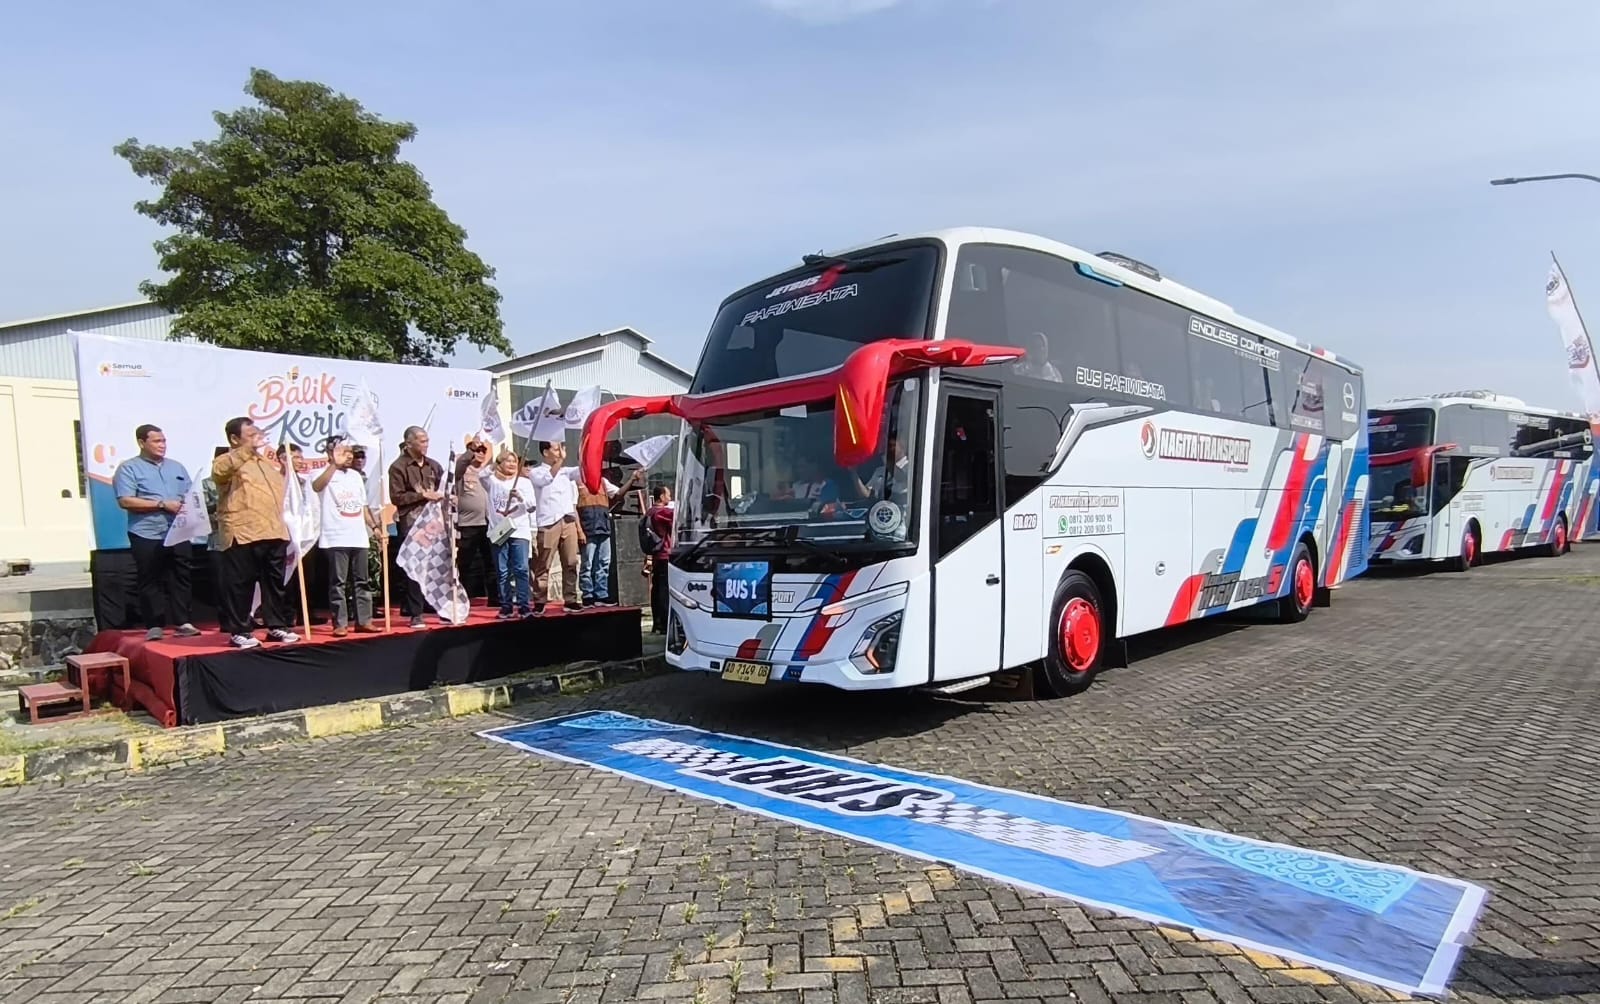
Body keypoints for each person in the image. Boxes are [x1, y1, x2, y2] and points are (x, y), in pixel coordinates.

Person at [211, 417, 299, 649]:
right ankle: (240, 630)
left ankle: (277, 626)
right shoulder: (226, 460)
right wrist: (245, 450)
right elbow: (220, 473)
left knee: (275, 583)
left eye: (256, 433)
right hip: (243, 531)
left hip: (273, 530)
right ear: (234, 438)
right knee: (241, 584)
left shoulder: (265, 463)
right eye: (250, 434)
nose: (256, 438)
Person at [111, 424, 200, 641]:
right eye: (156, 441)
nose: (162, 445)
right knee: (150, 578)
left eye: (164, 441)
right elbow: (125, 500)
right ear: (142, 443)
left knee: (181, 576)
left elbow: (191, 493)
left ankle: (183, 622)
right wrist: (161, 505)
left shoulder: (176, 467)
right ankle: (154, 625)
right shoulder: (129, 468)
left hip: (178, 530)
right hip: (147, 532)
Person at [313, 442, 378, 637]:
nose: (348, 456)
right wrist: (334, 464)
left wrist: (373, 527)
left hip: (358, 535)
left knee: (362, 581)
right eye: (343, 452)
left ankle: (364, 621)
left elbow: (363, 506)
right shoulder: (323, 473)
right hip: (336, 536)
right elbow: (317, 486)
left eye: (350, 452)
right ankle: (340, 624)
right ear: (330, 453)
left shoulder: (356, 476)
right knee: (338, 582)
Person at [386, 426, 444, 629]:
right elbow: (396, 497)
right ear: (409, 443)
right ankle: (415, 613)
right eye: (421, 441)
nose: (425, 445)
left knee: (435, 564)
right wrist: (422, 495)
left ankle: (439, 606)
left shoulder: (433, 465)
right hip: (411, 523)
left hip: (433, 522)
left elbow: (442, 488)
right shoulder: (398, 467)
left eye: (427, 440)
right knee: (413, 566)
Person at [477, 448, 536, 618]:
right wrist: (493, 464)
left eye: (513, 461)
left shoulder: (524, 482)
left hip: (519, 530)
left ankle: (524, 606)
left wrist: (520, 498)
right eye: (507, 461)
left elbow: (532, 506)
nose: (511, 464)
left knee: (521, 569)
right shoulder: (493, 482)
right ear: (500, 463)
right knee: (502, 571)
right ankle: (506, 606)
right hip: (499, 530)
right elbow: (482, 476)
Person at [528, 439, 584, 614]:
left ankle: (570, 599)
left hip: (568, 520)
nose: (560, 451)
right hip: (548, 522)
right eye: (556, 448)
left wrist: (586, 451)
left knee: (571, 562)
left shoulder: (567, 472)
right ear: (545, 452)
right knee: (544, 563)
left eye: (562, 448)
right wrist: (560, 461)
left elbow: (583, 471)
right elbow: (546, 480)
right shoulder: (536, 472)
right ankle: (539, 599)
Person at [577, 469, 636, 606]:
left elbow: (618, 493)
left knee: (603, 562)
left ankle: (601, 594)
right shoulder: (578, 482)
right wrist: (579, 530)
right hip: (588, 528)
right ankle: (588, 594)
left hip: (603, 527)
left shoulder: (603, 482)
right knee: (588, 563)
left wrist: (632, 479)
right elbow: (573, 507)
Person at [454, 439, 498, 609]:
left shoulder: (487, 473)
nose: (480, 453)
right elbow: (459, 466)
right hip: (468, 524)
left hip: (489, 524)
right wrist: (469, 451)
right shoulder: (463, 471)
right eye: (477, 450)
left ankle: (495, 597)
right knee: (465, 563)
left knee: (492, 562)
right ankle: (462, 597)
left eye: (483, 450)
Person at [645, 485, 675, 633]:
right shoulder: (662, 512)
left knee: (656, 589)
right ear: (661, 497)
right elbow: (677, 518)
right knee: (663, 590)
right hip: (664, 554)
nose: (670, 498)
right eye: (668, 495)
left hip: (656, 555)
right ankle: (664, 623)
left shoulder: (649, 511)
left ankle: (656, 622)